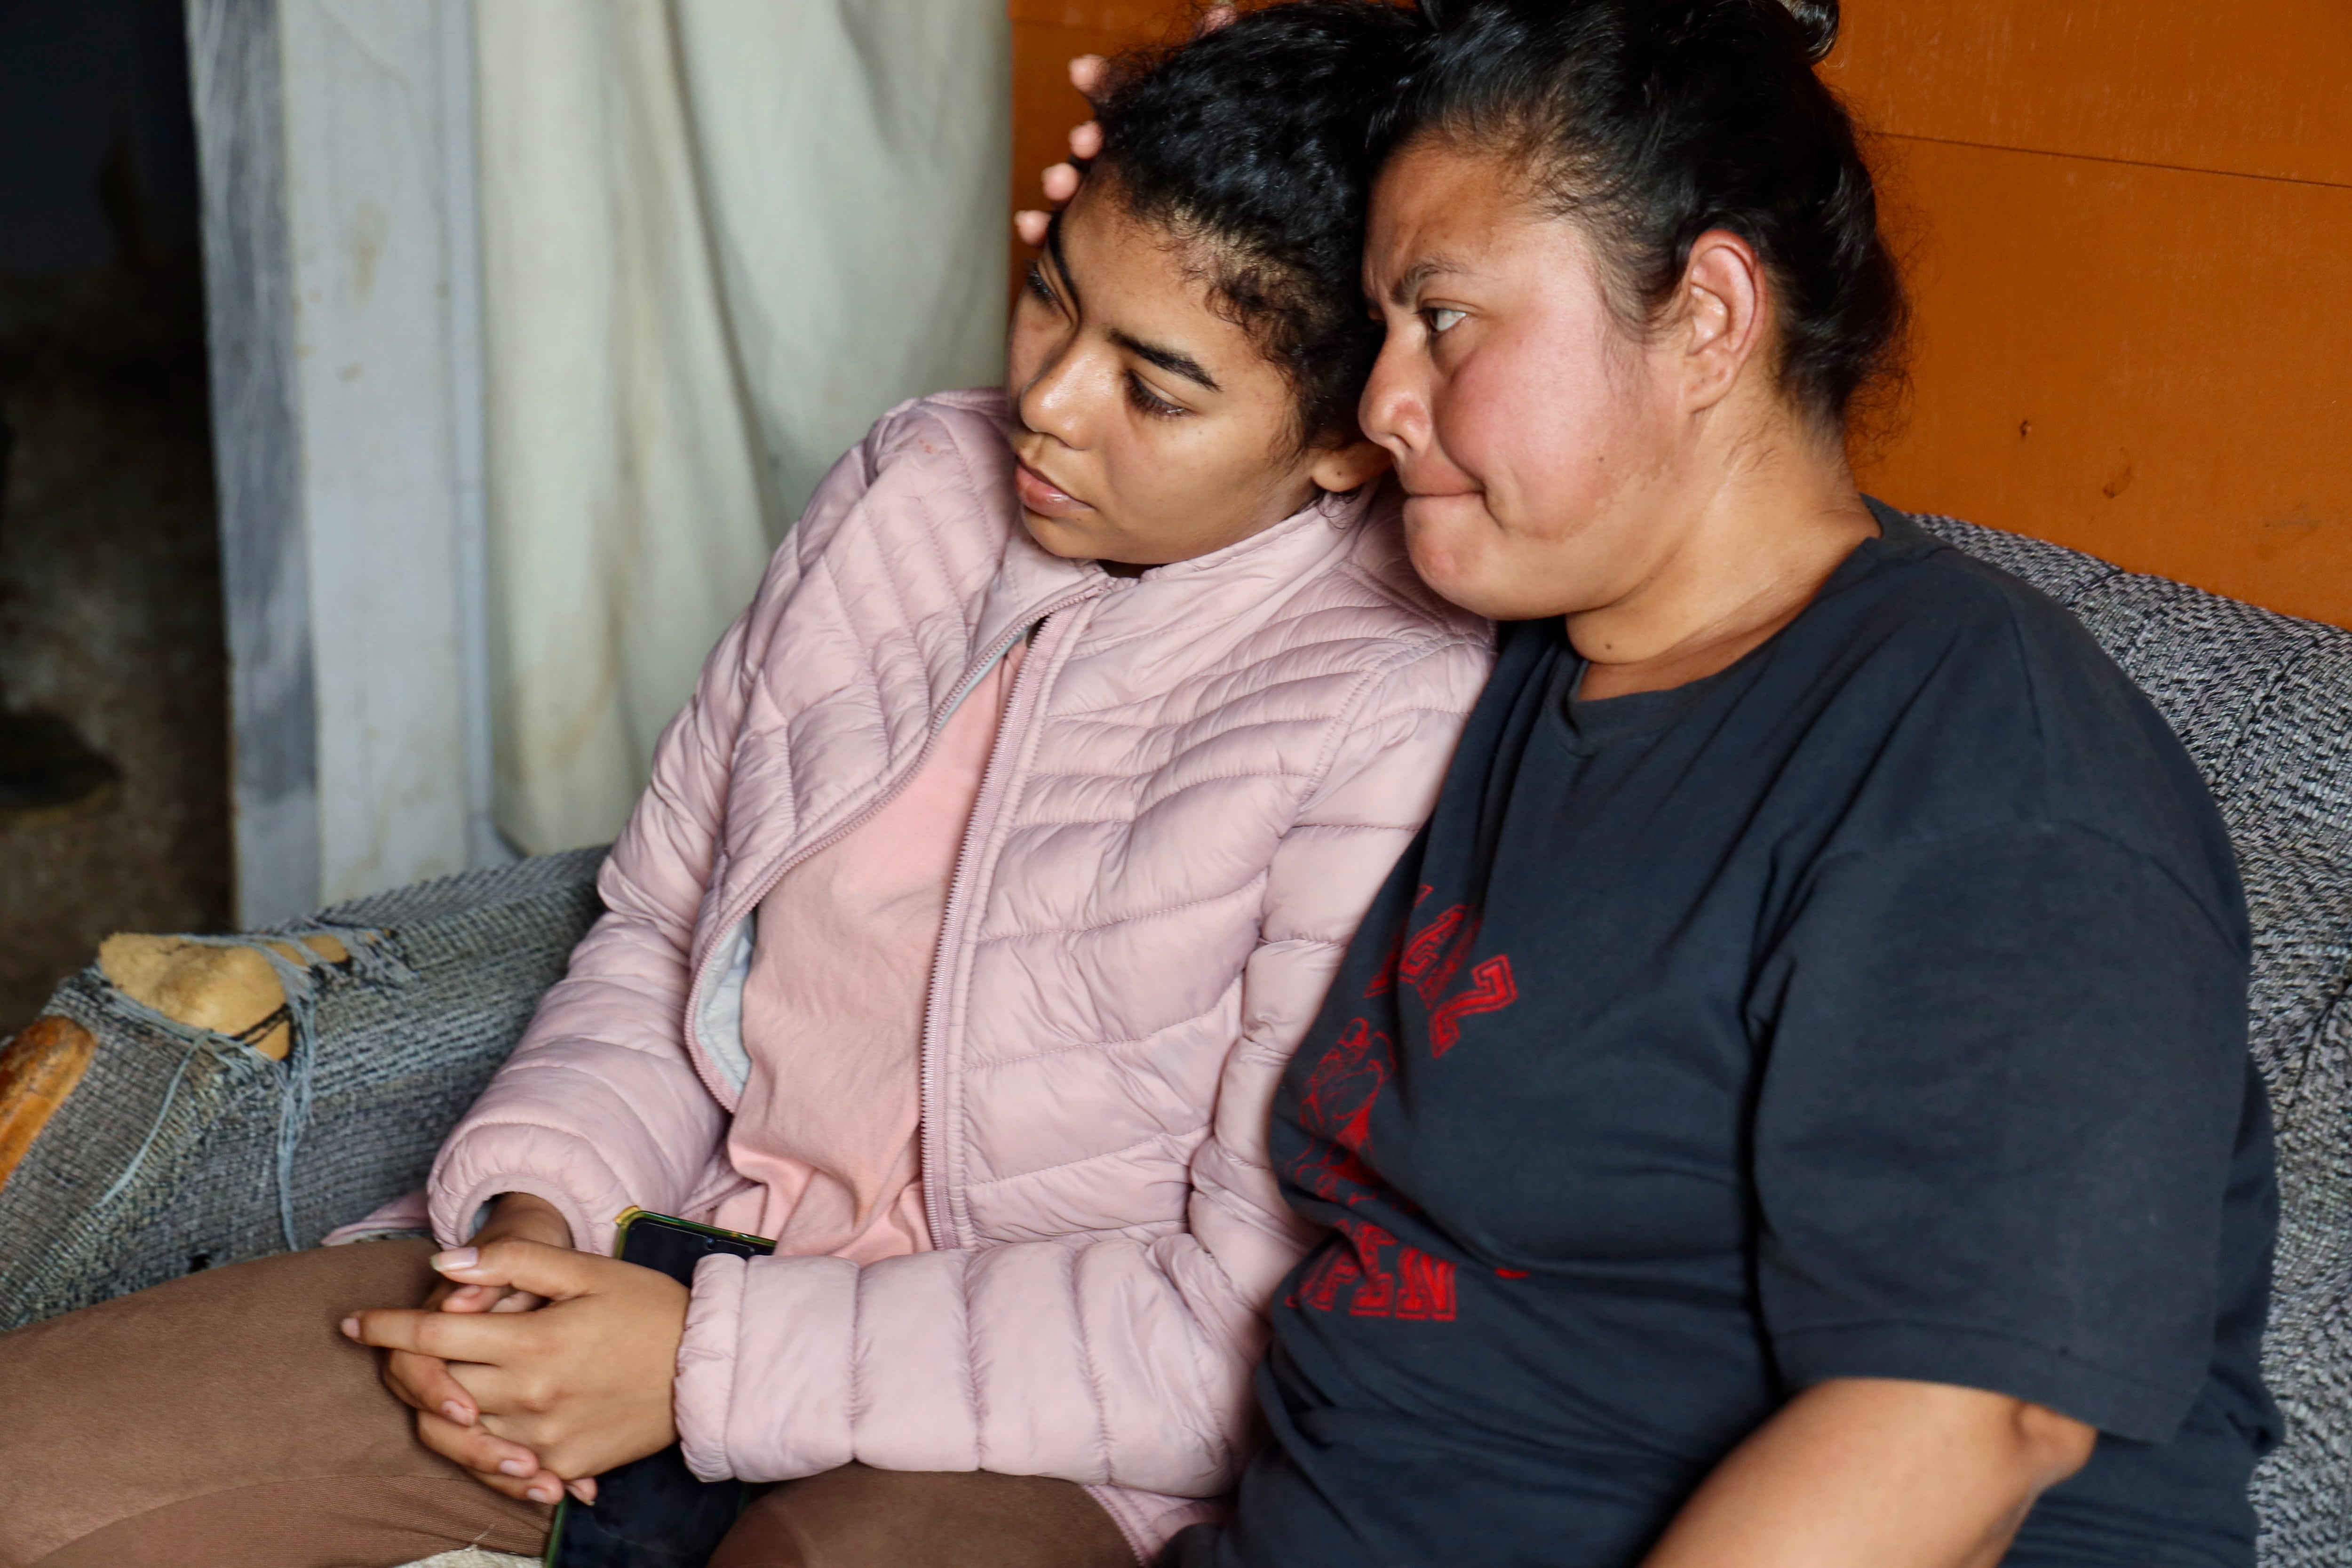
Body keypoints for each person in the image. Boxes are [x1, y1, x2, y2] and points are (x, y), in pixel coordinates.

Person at [0, 9, 1491, 1567]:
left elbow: (1233, 1327)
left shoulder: (1397, 711)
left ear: (1347, 437)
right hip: (660, 1258)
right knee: (31, 1469)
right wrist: (535, 1221)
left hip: (1017, 1442)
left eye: (1157, 389)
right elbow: (657, 932)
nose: (1048, 402)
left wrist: (702, 1365)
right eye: (1054, 301)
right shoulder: (915, 495)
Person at [1148, 0, 2274, 1564]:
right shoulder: (1520, 657)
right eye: (1382, 326)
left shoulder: (1986, 763)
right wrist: (1189, 150)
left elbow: (1957, 1422)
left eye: (1448, 319)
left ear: (1711, 313)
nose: (1387, 401)